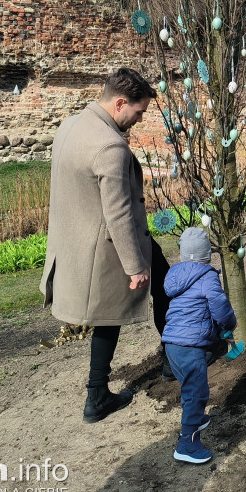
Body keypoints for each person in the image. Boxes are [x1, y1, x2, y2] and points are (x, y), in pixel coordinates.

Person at [40, 67, 171, 423]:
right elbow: (118, 212)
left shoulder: (70, 126)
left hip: (76, 240)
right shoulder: (110, 145)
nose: (140, 119)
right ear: (119, 103)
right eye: (139, 112)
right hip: (104, 245)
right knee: (128, 303)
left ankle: (101, 393)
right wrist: (134, 266)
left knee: (123, 306)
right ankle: (166, 365)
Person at [162, 227, 237, 464]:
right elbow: (219, 304)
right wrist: (229, 324)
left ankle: (195, 418)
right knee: (197, 392)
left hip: (172, 344)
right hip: (190, 346)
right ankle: (187, 444)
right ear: (208, 254)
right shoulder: (207, 276)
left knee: (189, 386)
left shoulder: (176, 275)